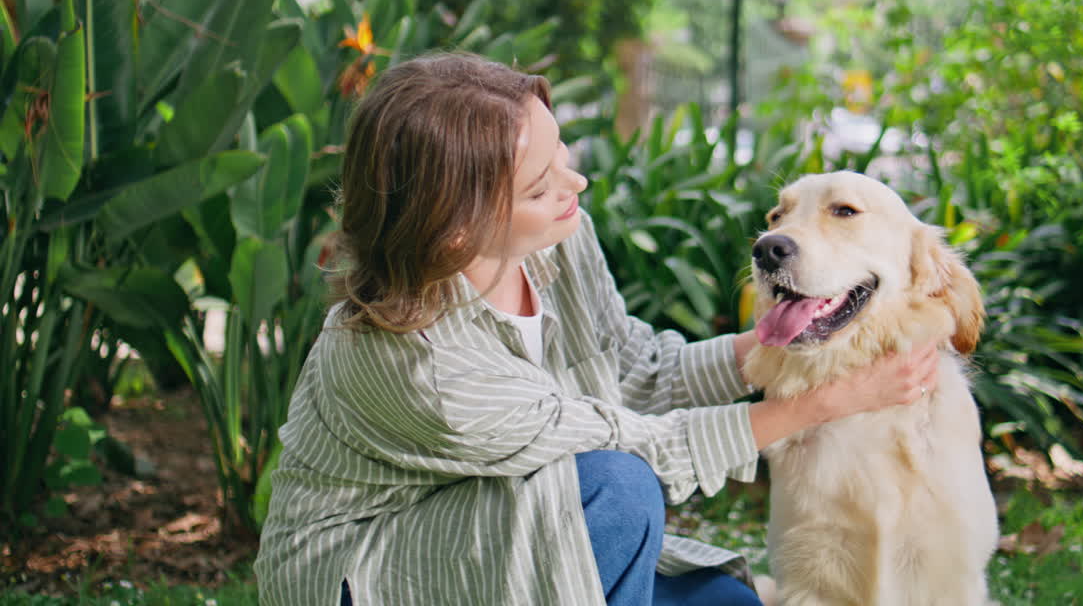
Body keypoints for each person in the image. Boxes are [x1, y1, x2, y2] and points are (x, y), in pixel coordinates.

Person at [254, 52, 940, 606]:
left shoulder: (554, 239)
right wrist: (829, 400)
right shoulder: (413, 365)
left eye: (562, 157)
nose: (574, 184)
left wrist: (778, 341)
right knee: (618, 489)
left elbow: (633, 368)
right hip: (377, 574)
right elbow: (636, 445)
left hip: (504, 515)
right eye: (540, 184)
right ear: (457, 226)